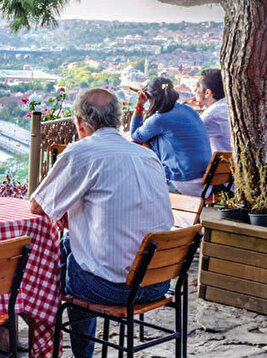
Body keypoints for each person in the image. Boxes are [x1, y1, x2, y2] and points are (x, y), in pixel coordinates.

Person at [30, 88, 174, 358]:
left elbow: (38, 207)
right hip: (157, 282)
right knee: (73, 248)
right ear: (119, 119)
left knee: (55, 260)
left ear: (79, 123)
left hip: (113, 288)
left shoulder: (81, 153)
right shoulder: (147, 156)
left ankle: (49, 343)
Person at [130, 77, 213, 197]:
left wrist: (140, 105)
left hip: (183, 182)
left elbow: (136, 136)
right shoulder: (188, 110)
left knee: (138, 185)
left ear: (150, 97)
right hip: (205, 183)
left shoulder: (160, 118)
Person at [195, 69, 231, 153]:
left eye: (197, 88)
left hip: (222, 165)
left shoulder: (211, 116)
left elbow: (185, 139)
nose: (195, 91)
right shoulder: (227, 106)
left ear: (207, 92)